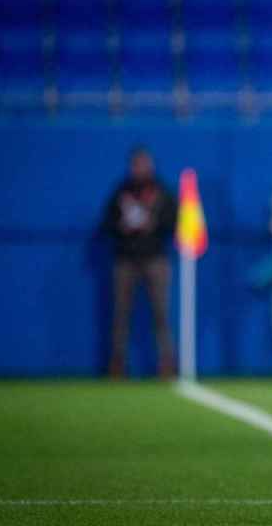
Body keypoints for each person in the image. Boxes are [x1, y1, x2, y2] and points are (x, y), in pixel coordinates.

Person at [100, 147, 178, 379]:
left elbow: (173, 222)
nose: (141, 168)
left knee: (161, 314)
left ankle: (167, 364)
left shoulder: (162, 191)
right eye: (137, 164)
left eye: (145, 164)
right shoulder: (122, 191)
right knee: (121, 315)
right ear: (131, 166)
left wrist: (153, 224)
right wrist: (123, 228)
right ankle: (117, 365)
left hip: (155, 258)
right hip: (125, 259)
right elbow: (107, 223)